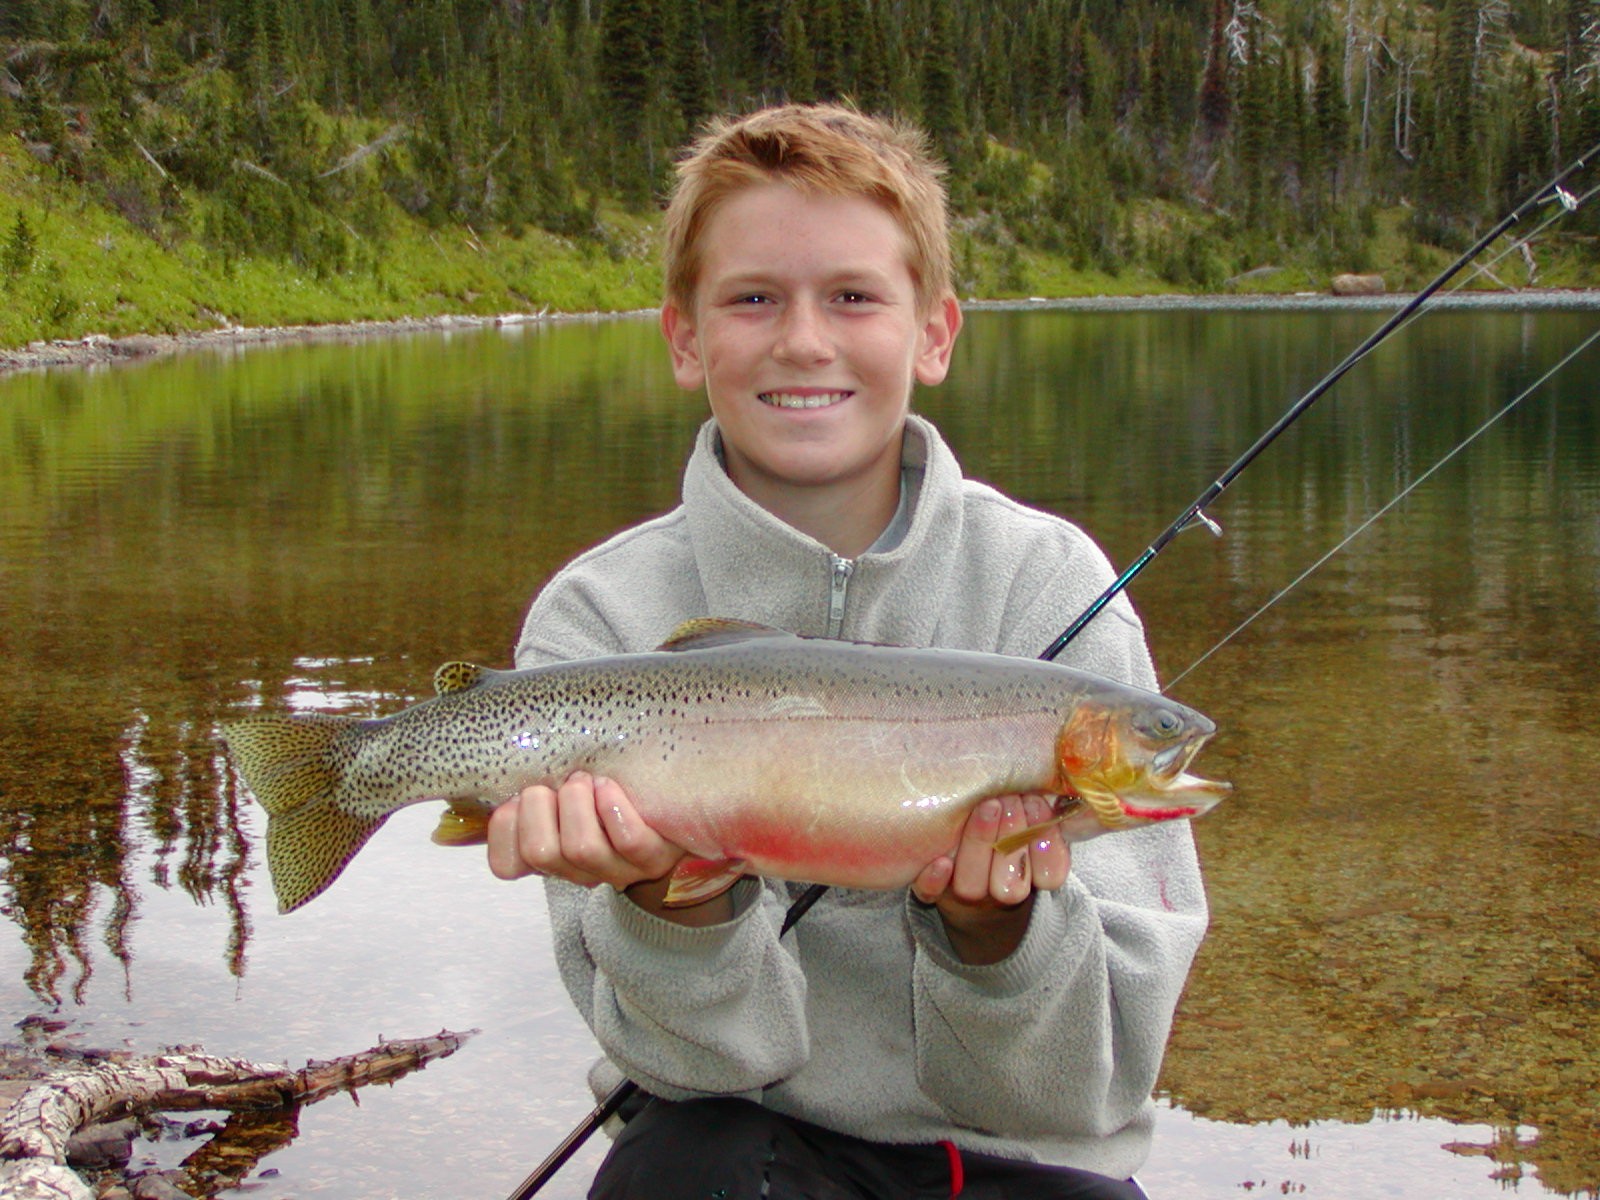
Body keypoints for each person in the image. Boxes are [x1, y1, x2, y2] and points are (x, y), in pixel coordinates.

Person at [486, 103, 1206, 1200]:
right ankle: (352, 768)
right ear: (684, 336)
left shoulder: (1053, 587)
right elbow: (686, 1070)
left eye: (854, 296)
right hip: (736, 1147)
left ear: (936, 332)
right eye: (755, 298)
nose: (804, 340)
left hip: (1023, 1167)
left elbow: (1091, 1090)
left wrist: (997, 927)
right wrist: (668, 902)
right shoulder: (600, 620)